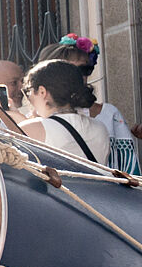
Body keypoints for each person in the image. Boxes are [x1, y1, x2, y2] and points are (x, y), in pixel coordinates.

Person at [38, 35, 135, 172]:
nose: (78, 76)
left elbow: (129, 168)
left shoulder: (108, 114)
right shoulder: (34, 120)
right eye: (69, 70)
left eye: (84, 69)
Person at [21, 59, 111, 165]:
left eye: (28, 91)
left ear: (42, 92)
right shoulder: (100, 127)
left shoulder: (33, 128)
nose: (28, 98)